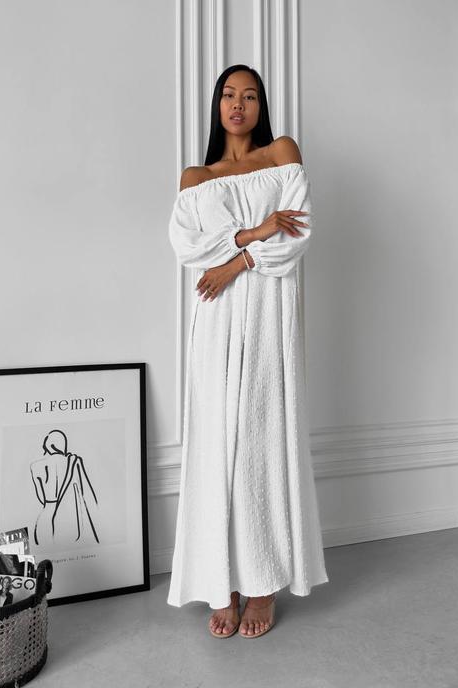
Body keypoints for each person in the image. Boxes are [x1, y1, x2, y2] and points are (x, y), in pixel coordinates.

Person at [167, 64, 329, 638]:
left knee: (260, 438)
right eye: (229, 95)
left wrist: (236, 260)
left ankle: (262, 584)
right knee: (216, 443)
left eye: (250, 96)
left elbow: (296, 235)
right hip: (214, 322)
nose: (239, 105)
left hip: (267, 314)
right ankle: (223, 583)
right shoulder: (196, 177)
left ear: (262, 106)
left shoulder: (281, 152)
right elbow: (188, 248)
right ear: (217, 106)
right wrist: (253, 233)